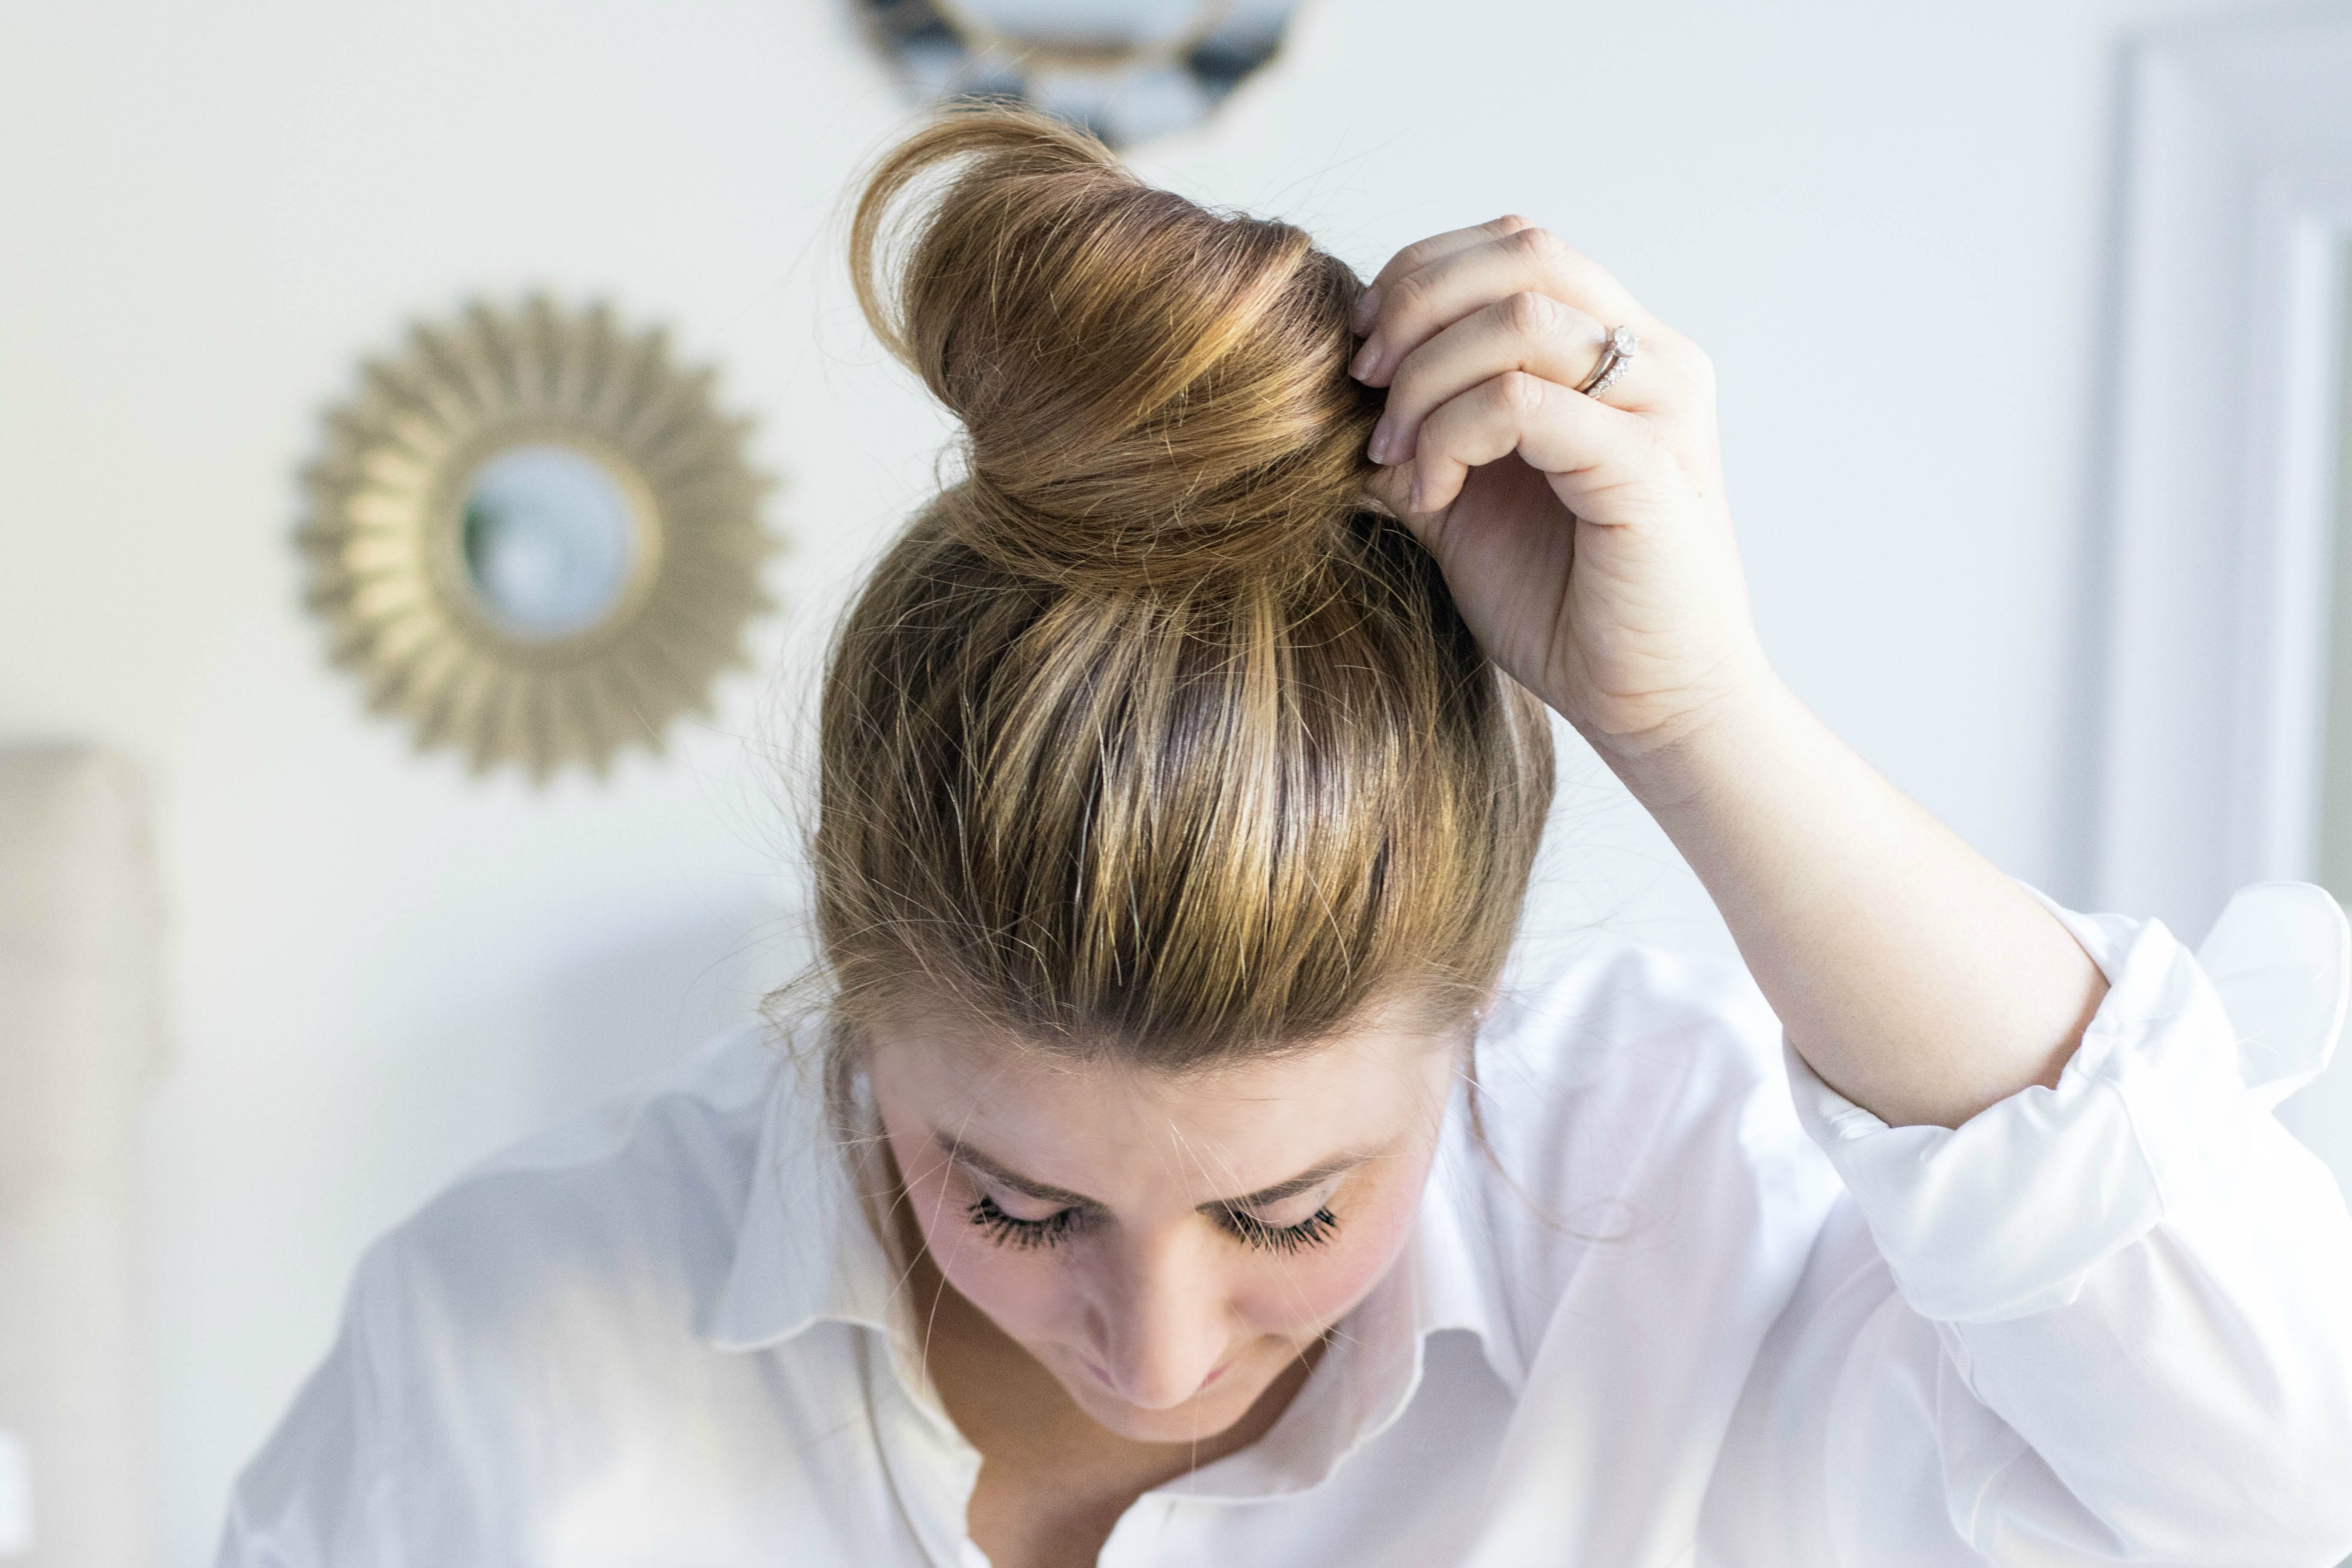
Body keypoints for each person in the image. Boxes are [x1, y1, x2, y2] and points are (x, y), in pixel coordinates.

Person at [218, 107, 2352, 1568]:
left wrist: (1700, 725)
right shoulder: (507, 1338)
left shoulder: (1703, 1223)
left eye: (1289, 1205)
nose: (1152, 1353)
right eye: (1012, 1198)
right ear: (851, 999)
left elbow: (2284, 1489)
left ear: (1475, 1017)